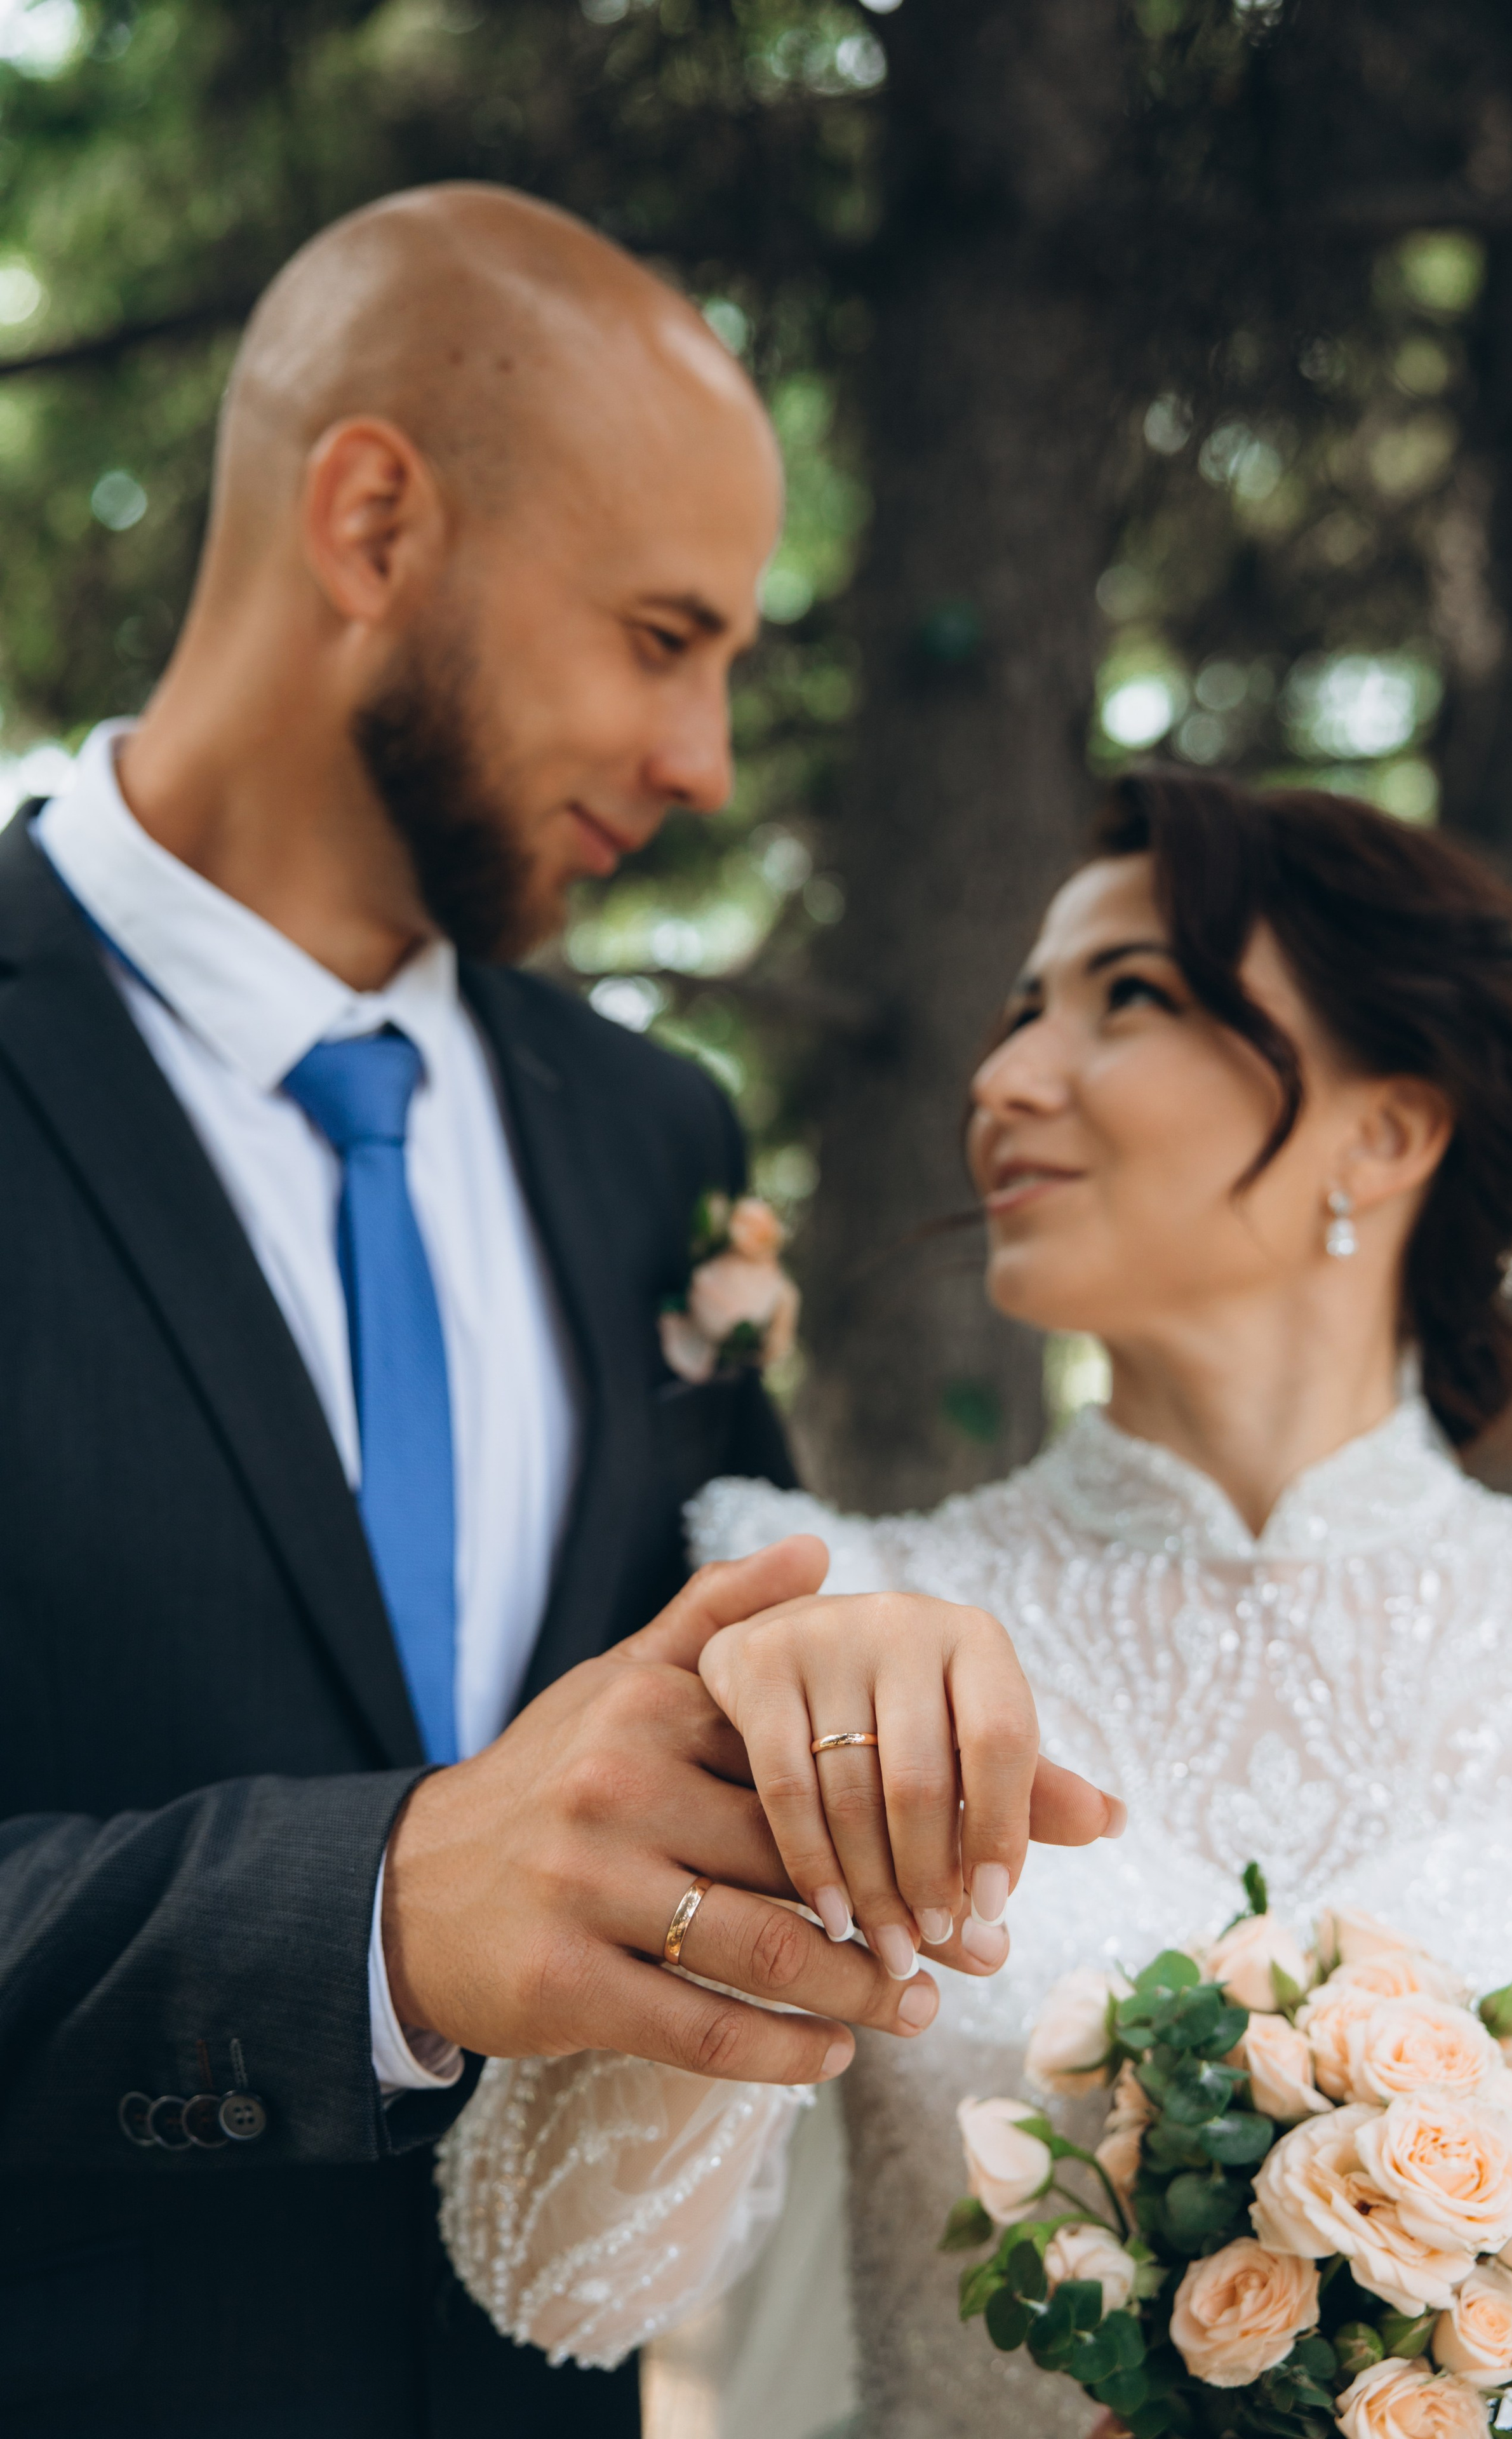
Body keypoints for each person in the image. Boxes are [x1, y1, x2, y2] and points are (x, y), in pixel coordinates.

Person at [0, 184, 1116, 2438]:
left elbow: (721, 1662)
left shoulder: (649, 1137)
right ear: (375, 521)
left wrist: (849, 1690)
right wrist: (378, 1915)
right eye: (659, 634)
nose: (702, 758)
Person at [439, 770, 1512, 2439]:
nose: (1000, 1083)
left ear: (1388, 1128)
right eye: (1012, 1018)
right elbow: (552, 2276)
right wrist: (766, 1817)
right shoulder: (824, 1603)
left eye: (1127, 997)